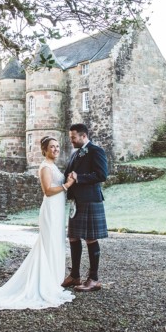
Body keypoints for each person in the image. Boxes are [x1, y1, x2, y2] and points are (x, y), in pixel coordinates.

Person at [0, 136, 76, 310]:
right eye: (52, 147)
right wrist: (68, 184)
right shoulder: (45, 167)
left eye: (57, 146)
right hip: (50, 209)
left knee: (56, 244)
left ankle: (54, 281)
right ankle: (44, 284)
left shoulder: (54, 166)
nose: (56, 149)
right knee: (48, 245)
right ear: (45, 150)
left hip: (58, 210)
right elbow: (48, 191)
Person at [62, 123, 108, 292]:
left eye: (73, 137)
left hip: (90, 200)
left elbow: (102, 175)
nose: (71, 140)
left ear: (83, 136)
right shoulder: (75, 154)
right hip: (76, 201)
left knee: (90, 238)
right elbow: (68, 174)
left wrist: (79, 177)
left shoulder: (96, 151)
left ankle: (94, 279)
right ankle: (75, 275)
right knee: (73, 237)